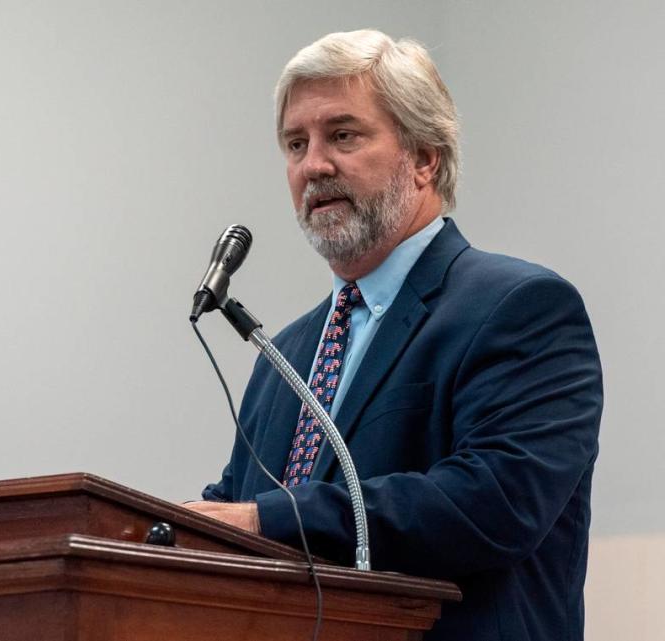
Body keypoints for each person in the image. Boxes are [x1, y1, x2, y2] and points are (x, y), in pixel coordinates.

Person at [183, 30, 602, 641]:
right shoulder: (285, 354)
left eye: (343, 136)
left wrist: (263, 521)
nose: (313, 165)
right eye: (295, 144)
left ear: (425, 156)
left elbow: (492, 504)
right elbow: (234, 507)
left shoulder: (521, 307)